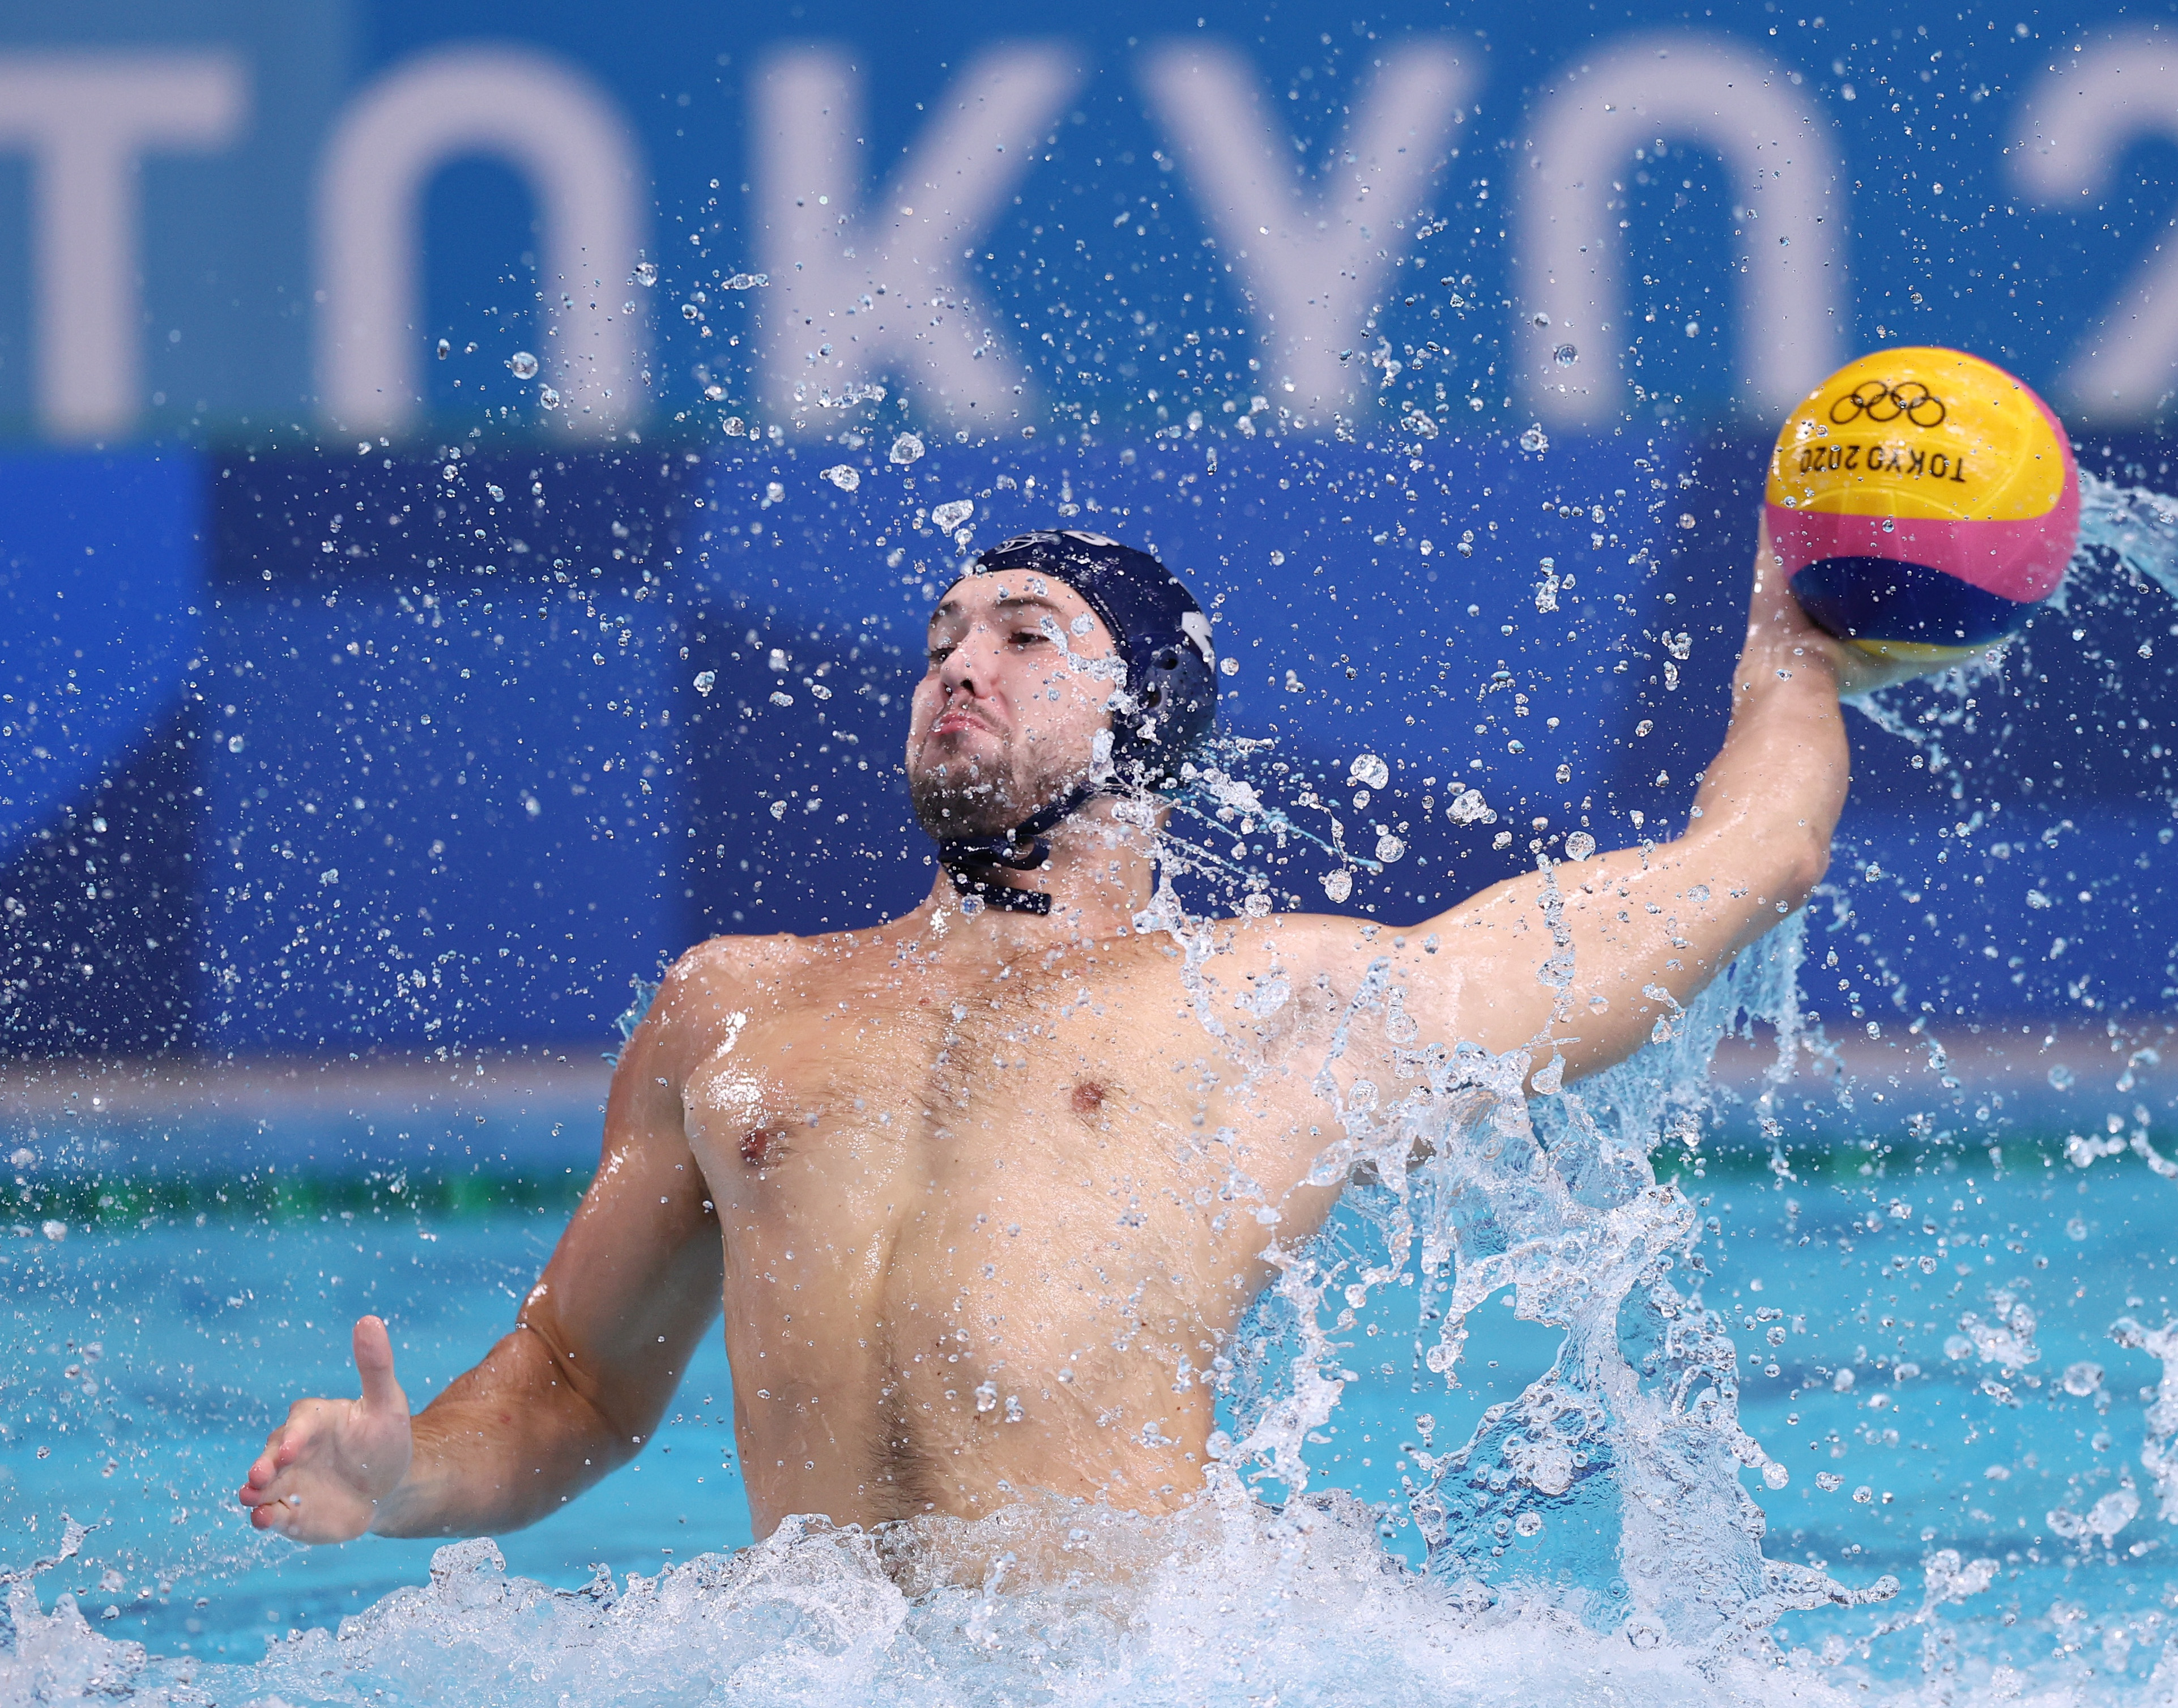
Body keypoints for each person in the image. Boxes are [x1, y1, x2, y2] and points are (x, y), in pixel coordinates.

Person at [237, 521, 1849, 1546]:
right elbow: (579, 1388)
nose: (955, 666)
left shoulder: (1271, 1004)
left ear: (1145, 714)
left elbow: (1738, 869)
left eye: (1022, 632)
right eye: (940, 637)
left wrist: (1795, 628)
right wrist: (404, 1479)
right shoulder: (736, 1004)